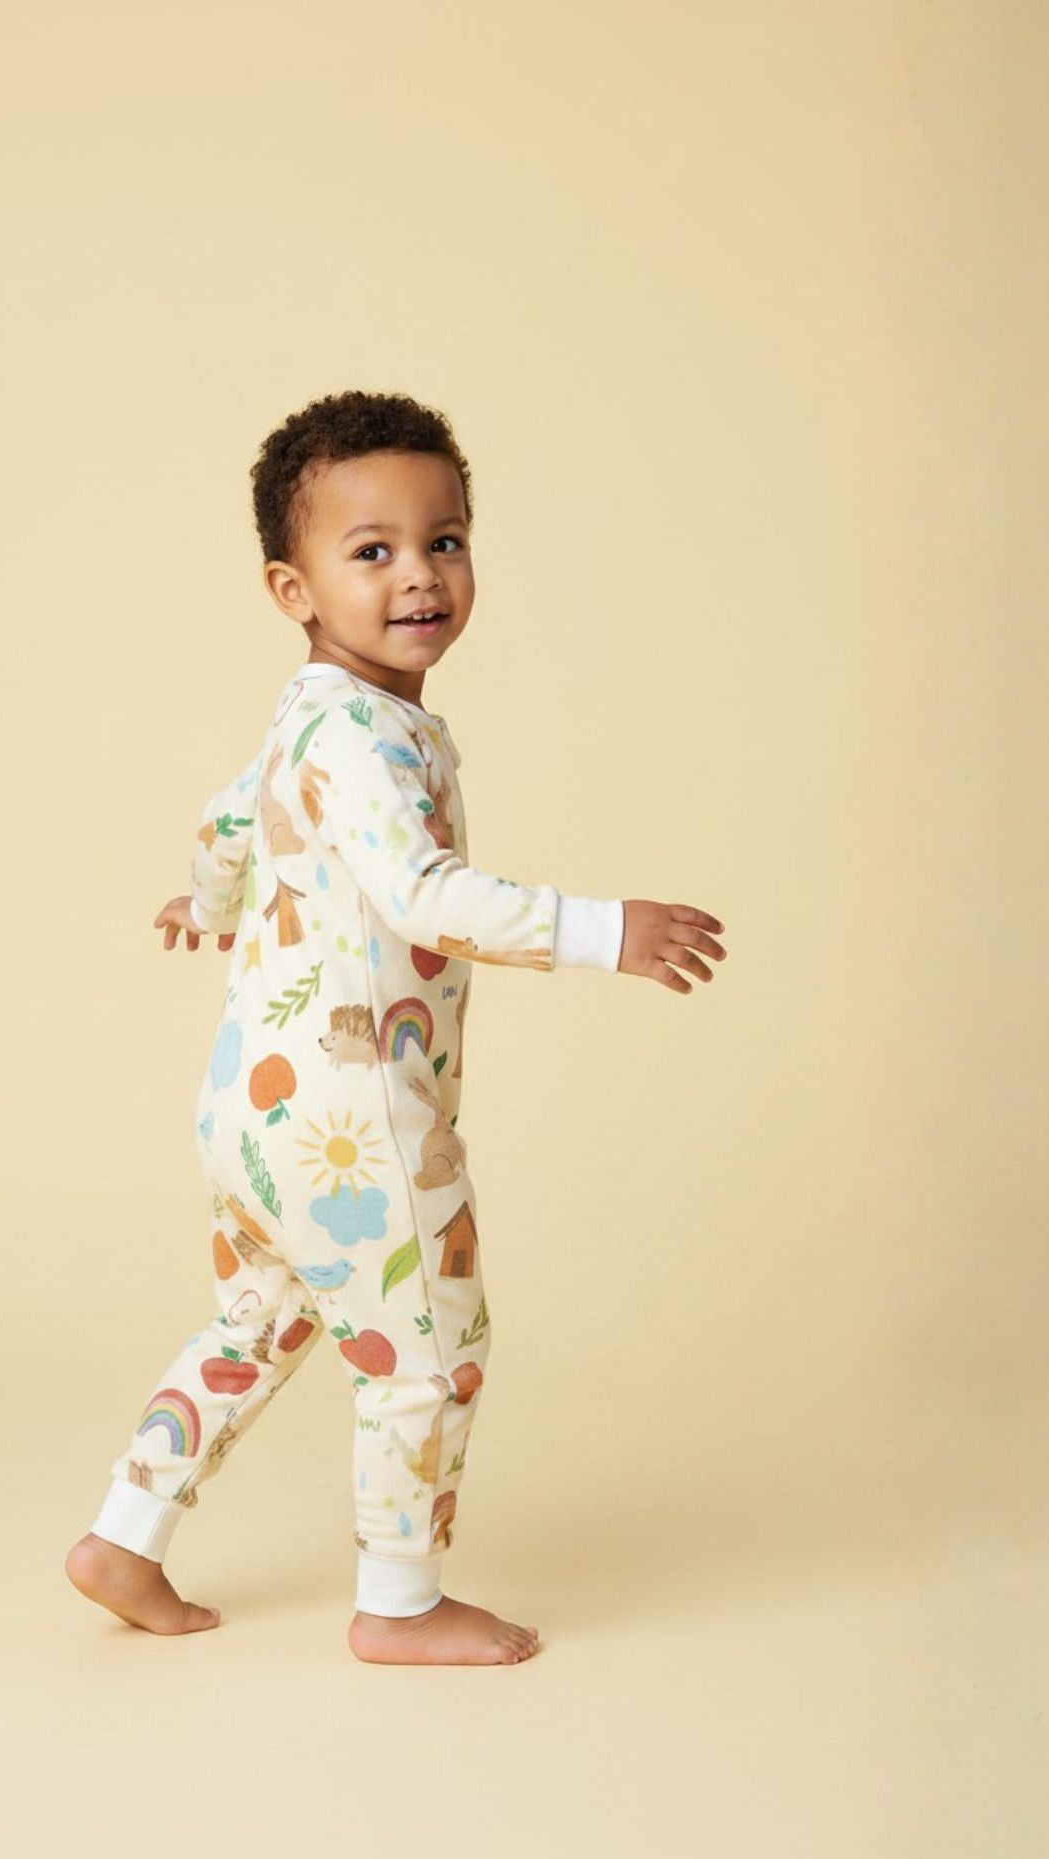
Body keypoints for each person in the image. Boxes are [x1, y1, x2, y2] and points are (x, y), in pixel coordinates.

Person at [65, 389, 727, 1665]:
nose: (419, 574)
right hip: (357, 1119)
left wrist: (208, 898)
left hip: (253, 1107)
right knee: (431, 1347)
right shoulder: (366, 736)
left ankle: (124, 1535)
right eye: (371, 550)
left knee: (255, 1324)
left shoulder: (309, 714)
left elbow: (227, 815)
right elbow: (424, 893)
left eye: (446, 540)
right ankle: (402, 1602)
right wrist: (604, 930)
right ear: (293, 588)